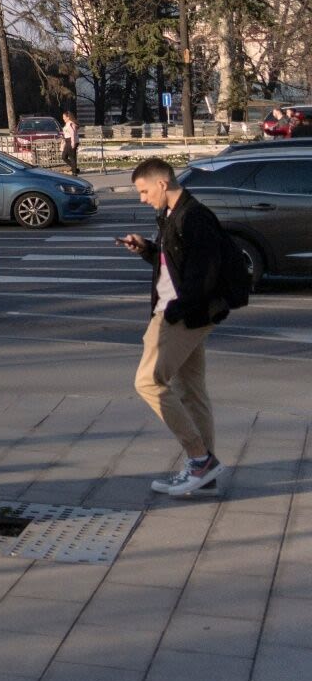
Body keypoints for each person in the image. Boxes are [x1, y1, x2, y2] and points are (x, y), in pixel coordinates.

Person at [120, 159, 236, 497]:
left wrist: (173, 314)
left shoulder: (194, 216)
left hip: (183, 315)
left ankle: (201, 460)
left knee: (147, 382)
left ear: (161, 184)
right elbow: (177, 262)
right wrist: (147, 250)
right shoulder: (173, 214)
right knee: (191, 391)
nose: (141, 198)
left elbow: (203, 274)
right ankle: (205, 477)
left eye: (143, 191)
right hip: (185, 312)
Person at [61, 110, 81, 175]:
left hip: (71, 140)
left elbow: (72, 134)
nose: (63, 118)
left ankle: (74, 171)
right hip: (68, 140)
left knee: (71, 157)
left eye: (64, 117)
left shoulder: (70, 124)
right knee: (65, 156)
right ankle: (75, 169)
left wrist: (73, 143)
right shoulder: (67, 124)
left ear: (68, 117)